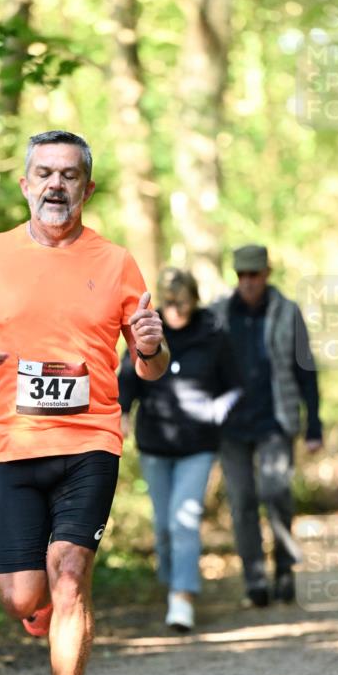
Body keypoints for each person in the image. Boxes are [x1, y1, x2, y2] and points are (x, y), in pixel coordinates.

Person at [0, 130, 168, 675]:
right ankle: (37, 615)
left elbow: (150, 368)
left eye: (69, 176)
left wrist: (149, 345)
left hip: (91, 440)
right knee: (21, 595)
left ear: (87, 189)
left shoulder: (116, 262)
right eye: (44, 173)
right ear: (25, 184)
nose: (55, 186)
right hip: (13, 443)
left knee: (70, 573)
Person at [119, 268, 241, 632]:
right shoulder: (149, 330)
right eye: (168, 303)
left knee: (183, 520)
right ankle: (170, 581)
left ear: (194, 300)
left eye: (181, 303)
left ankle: (182, 597)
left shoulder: (214, 334)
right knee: (163, 525)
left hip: (198, 445)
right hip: (155, 443)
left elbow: (235, 385)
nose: (174, 310)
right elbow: (128, 378)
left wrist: (218, 411)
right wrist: (122, 413)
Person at [212, 244, 323, 607]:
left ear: (266, 274)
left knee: (276, 494)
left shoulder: (288, 312)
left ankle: (285, 570)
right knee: (242, 501)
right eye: (241, 275)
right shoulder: (218, 314)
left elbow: (306, 369)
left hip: (276, 420)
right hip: (231, 426)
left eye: (254, 275)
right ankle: (254, 581)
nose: (248, 282)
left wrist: (314, 426)